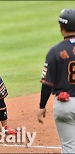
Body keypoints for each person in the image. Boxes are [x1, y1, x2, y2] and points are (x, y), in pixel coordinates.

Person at [37, 9, 75, 153]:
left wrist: (42, 106)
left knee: (69, 148)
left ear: (61, 28)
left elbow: (47, 84)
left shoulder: (55, 51)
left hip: (65, 105)